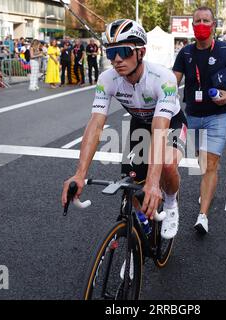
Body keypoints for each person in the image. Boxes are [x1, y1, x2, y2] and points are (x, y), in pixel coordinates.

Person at [61, 19, 187, 239]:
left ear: (141, 52)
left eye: (124, 51)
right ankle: (139, 240)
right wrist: (79, 174)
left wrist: (153, 183)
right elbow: (95, 124)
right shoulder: (107, 79)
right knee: (131, 184)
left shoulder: (163, 78)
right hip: (140, 123)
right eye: (111, 53)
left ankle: (170, 203)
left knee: (166, 165)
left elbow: (159, 129)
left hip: (170, 123)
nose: (117, 60)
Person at [173, 6, 226, 234]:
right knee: (199, 161)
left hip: (217, 118)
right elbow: (172, 82)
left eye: (205, 20)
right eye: (197, 20)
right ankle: (204, 191)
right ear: (192, 25)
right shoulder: (185, 53)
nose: (201, 24)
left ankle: (203, 216)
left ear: (213, 25)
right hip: (191, 117)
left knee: (210, 166)